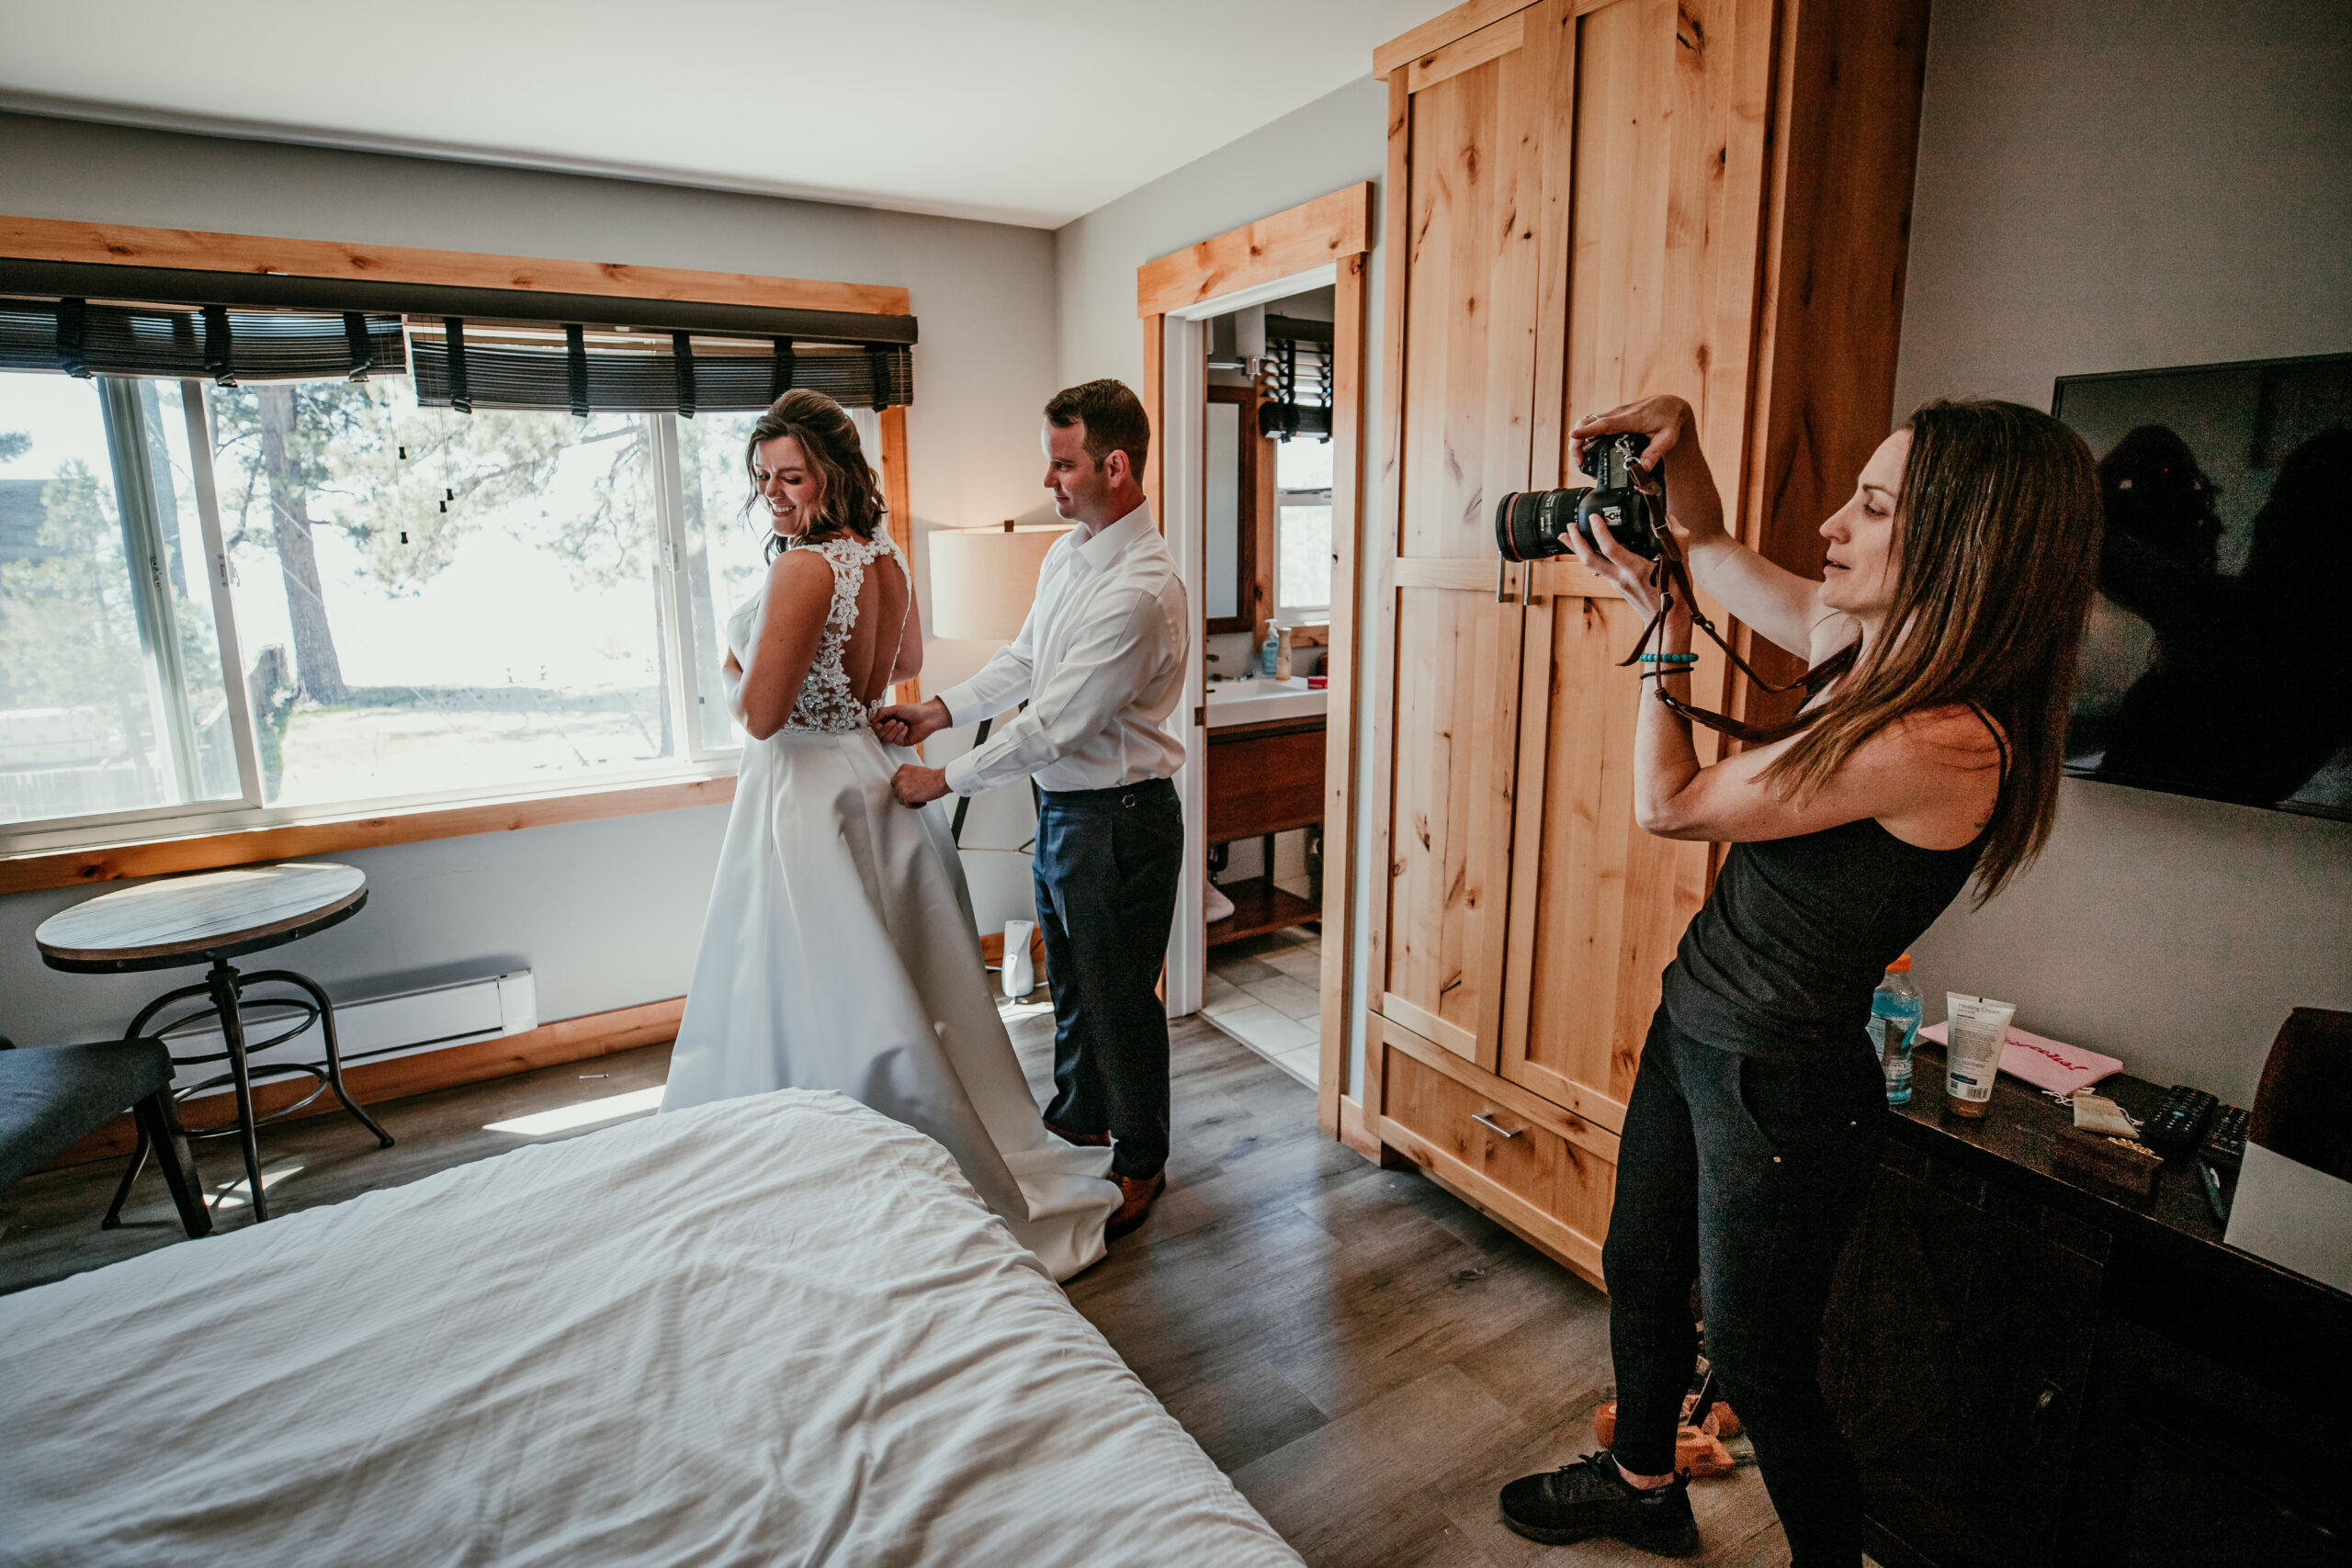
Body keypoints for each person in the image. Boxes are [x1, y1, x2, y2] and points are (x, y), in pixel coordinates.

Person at [1495, 395, 2100, 1564]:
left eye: (1870, 506)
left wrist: (1659, 636)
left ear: (1962, 544)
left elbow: (1668, 805)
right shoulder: (1863, 649)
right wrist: (1684, 444)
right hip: (1701, 1022)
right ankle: (1641, 1486)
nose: (1831, 523)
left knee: (1767, 1372)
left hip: (1781, 1085)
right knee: (1640, 1267)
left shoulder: (1942, 740)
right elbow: (1713, 549)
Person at [660, 389, 1120, 1282]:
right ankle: (906, 1156)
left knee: (811, 986)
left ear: (833, 472)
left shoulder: (803, 570)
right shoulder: (883, 557)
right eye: (763, 477)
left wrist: (728, 663)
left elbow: (759, 716)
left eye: (792, 475)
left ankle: (822, 1174)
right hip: (869, 779)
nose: (775, 494)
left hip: (802, 792)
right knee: (891, 986)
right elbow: (898, 670)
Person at [876, 379, 1188, 1240]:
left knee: (1121, 997)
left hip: (1121, 818)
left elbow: (1054, 724)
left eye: (1063, 463)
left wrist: (943, 780)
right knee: (1076, 987)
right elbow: (1024, 662)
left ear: (1115, 467)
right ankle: (1082, 1113)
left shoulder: (1140, 589)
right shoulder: (1067, 555)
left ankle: (1140, 1158)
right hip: (1067, 814)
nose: (1049, 481)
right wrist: (938, 710)